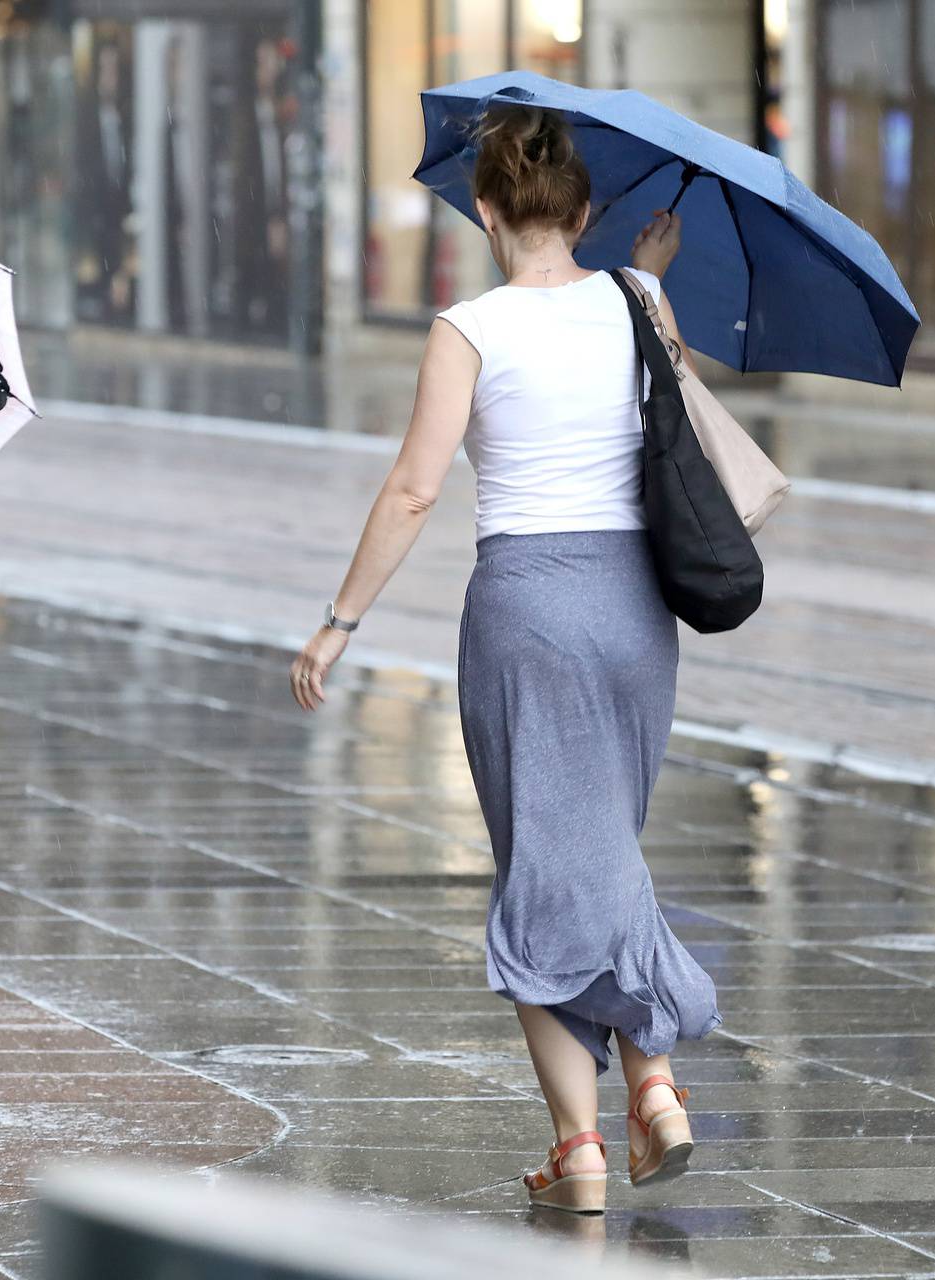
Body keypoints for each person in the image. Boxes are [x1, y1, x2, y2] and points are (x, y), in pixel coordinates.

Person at [287, 104, 720, 1216]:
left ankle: (601, 1128)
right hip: (636, 610)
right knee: (601, 846)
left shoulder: (467, 327)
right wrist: (653, 273)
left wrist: (340, 620)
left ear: (484, 211)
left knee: (540, 865)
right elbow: (684, 433)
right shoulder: (640, 304)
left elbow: (418, 487)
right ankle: (640, 1096)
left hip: (526, 608)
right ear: (582, 212)